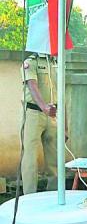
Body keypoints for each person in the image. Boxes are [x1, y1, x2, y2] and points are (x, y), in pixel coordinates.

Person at [21, 53, 58, 195]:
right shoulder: (31, 62)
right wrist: (44, 107)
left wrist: (65, 125)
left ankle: (54, 194)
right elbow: (32, 85)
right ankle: (29, 196)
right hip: (33, 113)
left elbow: (61, 92)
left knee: (54, 157)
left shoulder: (56, 62)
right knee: (30, 157)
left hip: (53, 115)